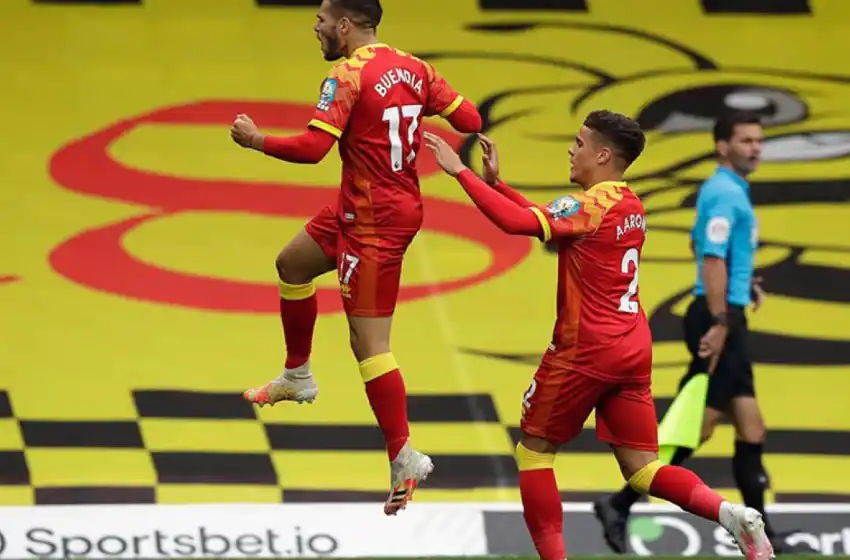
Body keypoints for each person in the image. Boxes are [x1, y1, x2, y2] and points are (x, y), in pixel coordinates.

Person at [422, 110, 774, 560]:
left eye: (580, 143)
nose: (573, 150)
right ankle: (728, 513)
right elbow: (551, 221)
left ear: (603, 154)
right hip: (631, 346)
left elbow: (518, 224)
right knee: (644, 468)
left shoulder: (588, 204)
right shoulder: (629, 204)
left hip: (585, 349)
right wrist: (497, 185)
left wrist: (462, 173)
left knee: (534, 452)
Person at [229, 0, 482, 516]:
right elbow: (471, 117)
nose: (316, 27)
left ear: (345, 25)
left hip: (375, 221)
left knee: (369, 343)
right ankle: (297, 375)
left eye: (322, 20)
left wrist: (256, 141)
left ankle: (403, 456)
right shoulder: (415, 67)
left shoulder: (347, 75)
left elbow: (312, 149)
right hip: (363, 204)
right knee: (292, 264)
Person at [593, 112, 802, 555]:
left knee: (751, 427)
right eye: (746, 140)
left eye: (759, 141)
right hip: (718, 319)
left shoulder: (727, 191)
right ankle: (620, 502)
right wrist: (722, 317)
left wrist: (742, 288)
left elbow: (704, 246)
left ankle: (764, 533)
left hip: (727, 310)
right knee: (699, 425)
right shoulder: (724, 192)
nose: (755, 148)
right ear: (722, 145)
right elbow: (710, 255)